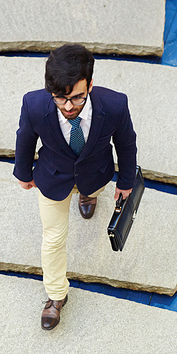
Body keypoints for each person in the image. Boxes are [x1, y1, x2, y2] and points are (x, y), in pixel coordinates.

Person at [14, 44, 137, 330]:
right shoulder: (33, 105)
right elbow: (25, 139)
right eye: (60, 99)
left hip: (95, 174)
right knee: (53, 239)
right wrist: (23, 172)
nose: (69, 107)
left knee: (90, 191)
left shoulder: (115, 105)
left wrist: (126, 181)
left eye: (78, 98)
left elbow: (126, 143)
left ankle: (87, 195)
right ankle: (56, 295)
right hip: (52, 179)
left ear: (90, 84)